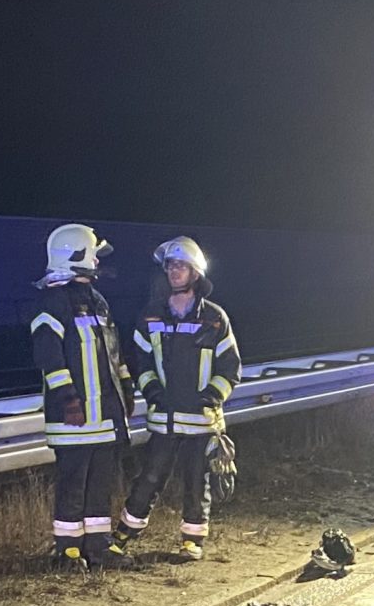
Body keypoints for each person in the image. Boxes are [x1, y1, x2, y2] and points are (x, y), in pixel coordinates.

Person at [116, 235, 240, 561]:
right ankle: (123, 534)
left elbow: (230, 368)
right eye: (170, 266)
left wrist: (212, 396)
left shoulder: (214, 318)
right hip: (165, 418)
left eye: (180, 266)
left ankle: (192, 541)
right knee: (149, 478)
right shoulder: (151, 316)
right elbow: (140, 361)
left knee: (197, 482)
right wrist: (152, 390)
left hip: (201, 420)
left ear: (195, 273)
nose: (173, 271)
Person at [28, 223, 134, 567]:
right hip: (73, 419)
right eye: (94, 255)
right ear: (78, 255)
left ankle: (98, 546)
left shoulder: (97, 302)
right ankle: (68, 550)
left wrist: (126, 390)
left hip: (104, 417)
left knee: (100, 485)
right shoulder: (53, 302)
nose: (98, 262)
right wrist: (69, 401)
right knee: (72, 485)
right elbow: (49, 358)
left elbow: (113, 353)